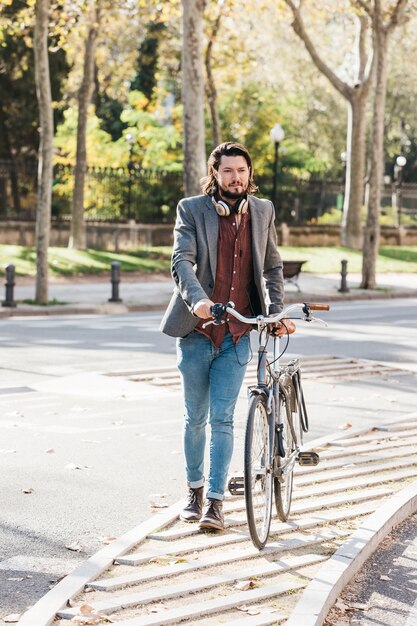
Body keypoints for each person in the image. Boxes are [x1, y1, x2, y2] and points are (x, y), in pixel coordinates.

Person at [160, 141, 292, 531]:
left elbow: (272, 267)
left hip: (238, 332)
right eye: (228, 171)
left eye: (242, 170)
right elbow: (181, 262)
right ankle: (194, 491)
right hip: (197, 332)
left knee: (223, 419)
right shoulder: (192, 209)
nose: (236, 177)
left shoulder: (263, 211)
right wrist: (197, 301)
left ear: (250, 174)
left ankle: (216, 503)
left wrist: (274, 312)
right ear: (214, 174)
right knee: (194, 419)